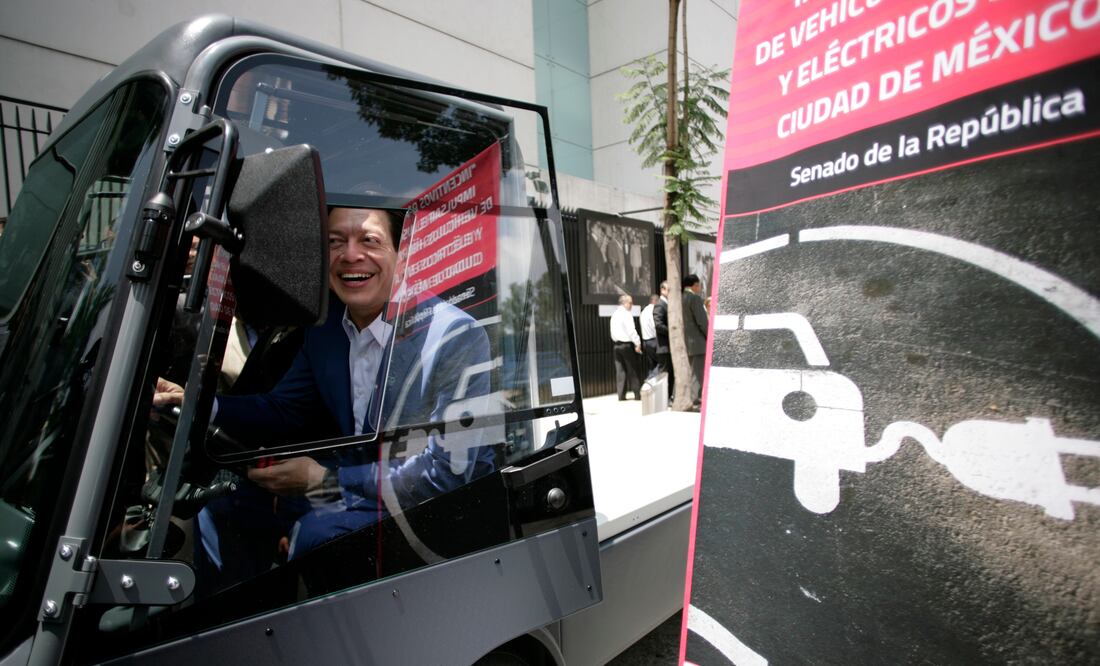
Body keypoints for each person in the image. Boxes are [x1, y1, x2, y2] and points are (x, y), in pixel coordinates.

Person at [156, 206, 495, 564]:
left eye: (369, 240)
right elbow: (283, 408)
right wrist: (199, 403)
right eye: (336, 242)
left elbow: (445, 475)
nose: (351, 255)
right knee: (224, 504)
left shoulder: (455, 336)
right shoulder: (327, 330)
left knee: (317, 537)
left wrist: (323, 479)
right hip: (361, 490)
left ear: (403, 253)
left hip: (433, 512)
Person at [682, 274, 708, 410]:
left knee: (690, 373)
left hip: (685, 342)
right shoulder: (695, 299)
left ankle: (690, 399)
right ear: (695, 285)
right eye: (698, 285)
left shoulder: (680, 298)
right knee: (698, 374)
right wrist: (710, 336)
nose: (699, 288)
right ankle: (696, 402)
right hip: (698, 343)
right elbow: (703, 322)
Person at [609, 293, 641, 400]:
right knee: (633, 370)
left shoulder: (614, 314)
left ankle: (621, 396)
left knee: (620, 371)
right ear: (624, 303)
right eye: (630, 303)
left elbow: (612, 332)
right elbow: (631, 331)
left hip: (616, 345)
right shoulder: (626, 314)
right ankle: (637, 395)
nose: (632, 305)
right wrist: (638, 343)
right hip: (626, 345)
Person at [652, 281, 673, 397]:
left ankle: (668, 396)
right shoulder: (660, 304)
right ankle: (664, 398)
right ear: (662, 290)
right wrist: (672, 332)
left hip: (668, 347)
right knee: (664, 375)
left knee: (669, 374)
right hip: (664, 347)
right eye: (668, 290)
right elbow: (658, 325)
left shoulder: (667, 304)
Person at [640, 293, 659, 376]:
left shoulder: (643, 311)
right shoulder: (654, 310)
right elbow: (655, 326)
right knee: (661, 363)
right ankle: (651, 379)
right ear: (656, 301)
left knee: (652, 365)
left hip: (646, 341)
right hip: (654, 340)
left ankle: (651, 381)